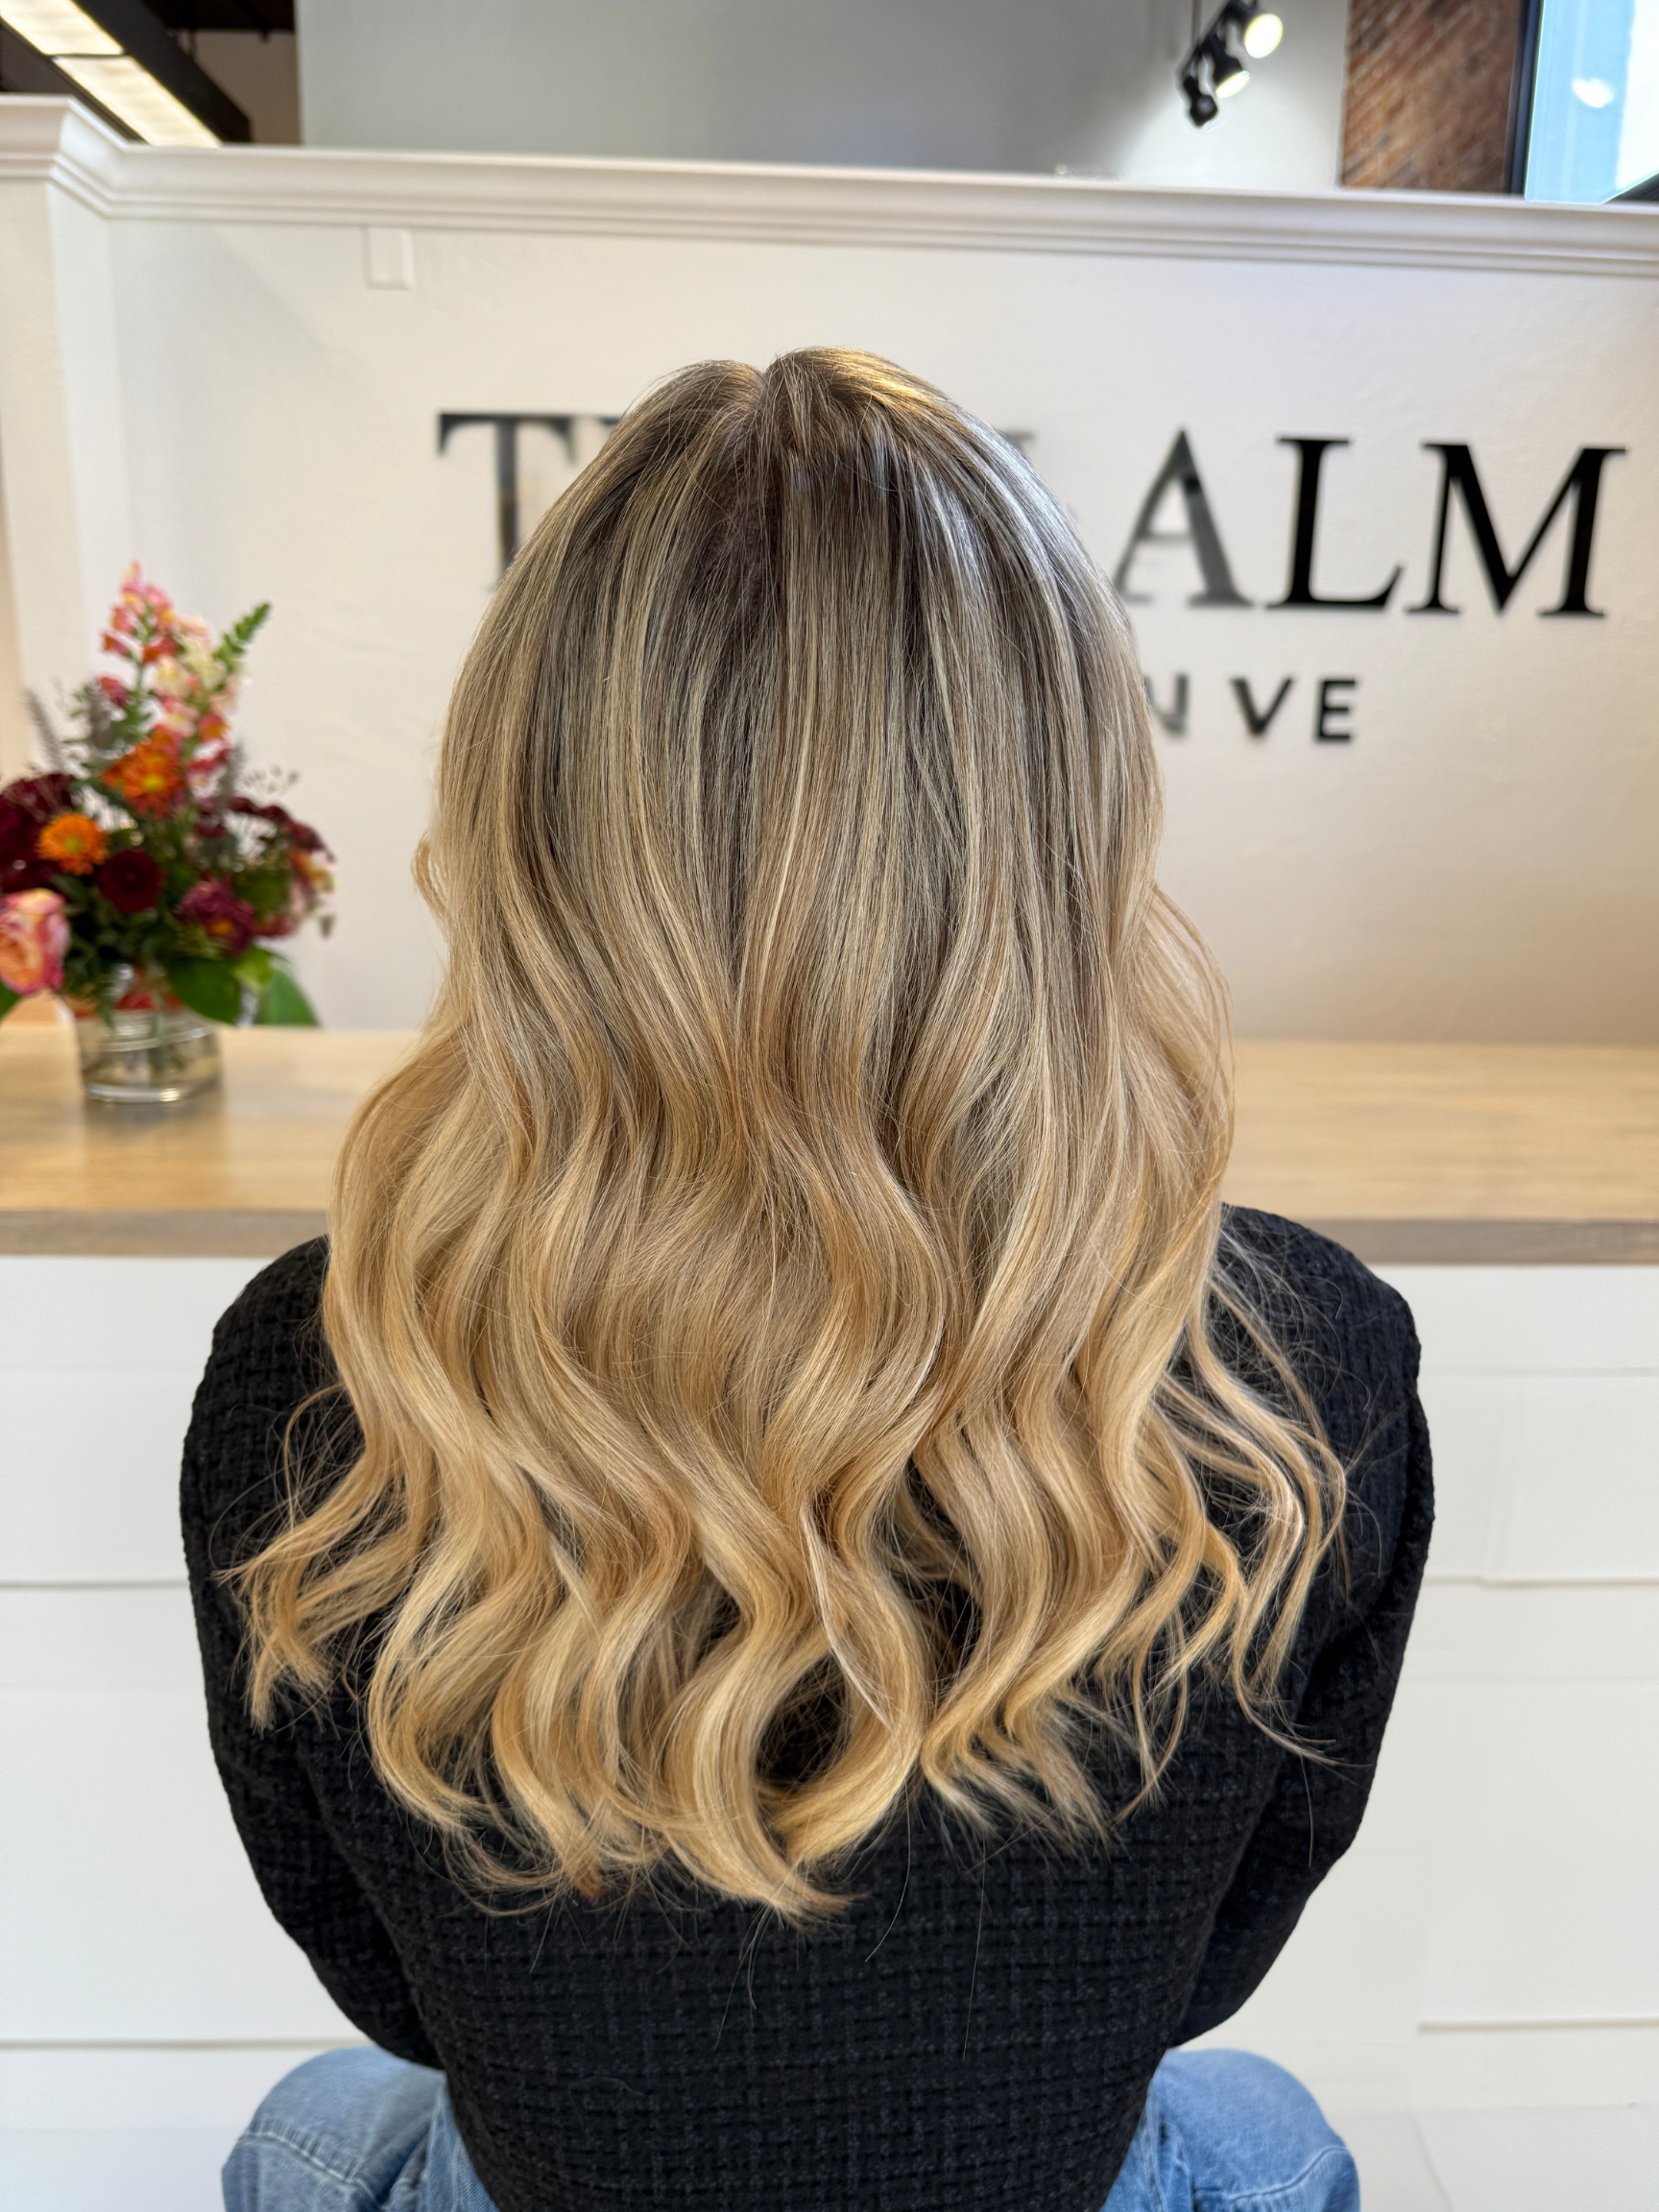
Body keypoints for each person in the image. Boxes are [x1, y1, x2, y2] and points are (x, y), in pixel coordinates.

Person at [183, 349, 1431, 2212]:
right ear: (1069, 814)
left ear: (533, 819)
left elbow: (389, 1991)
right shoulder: (1301, 1368)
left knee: (305, 2130)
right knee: (1277, 2133)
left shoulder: (322, 1370)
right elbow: (1211, 1973)